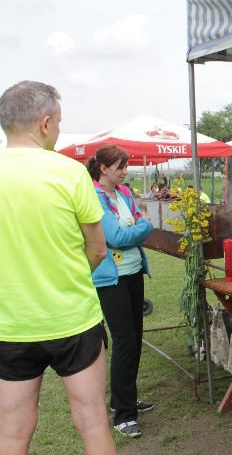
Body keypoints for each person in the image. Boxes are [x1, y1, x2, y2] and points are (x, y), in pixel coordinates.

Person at [0, 80, 116, 454]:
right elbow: (97, 249)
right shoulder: (69, 172)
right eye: (60, 122)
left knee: (11, 432)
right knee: (93, 422)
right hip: (73, 318)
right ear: (45, 123)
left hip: (10, 323)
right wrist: (66, 277)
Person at [86, 145, 154, 438]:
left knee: (135, 339)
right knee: (125, 341)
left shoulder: (123, 194)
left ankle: (123, 397)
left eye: (126, 166)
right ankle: (124, 416)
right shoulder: (95, 197)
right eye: (120, 167)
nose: (126, 172)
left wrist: (137, 229)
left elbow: (132, 226)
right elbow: (115, 237)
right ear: (103, 169)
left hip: (133, 272)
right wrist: (144, 227)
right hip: (110, 280)